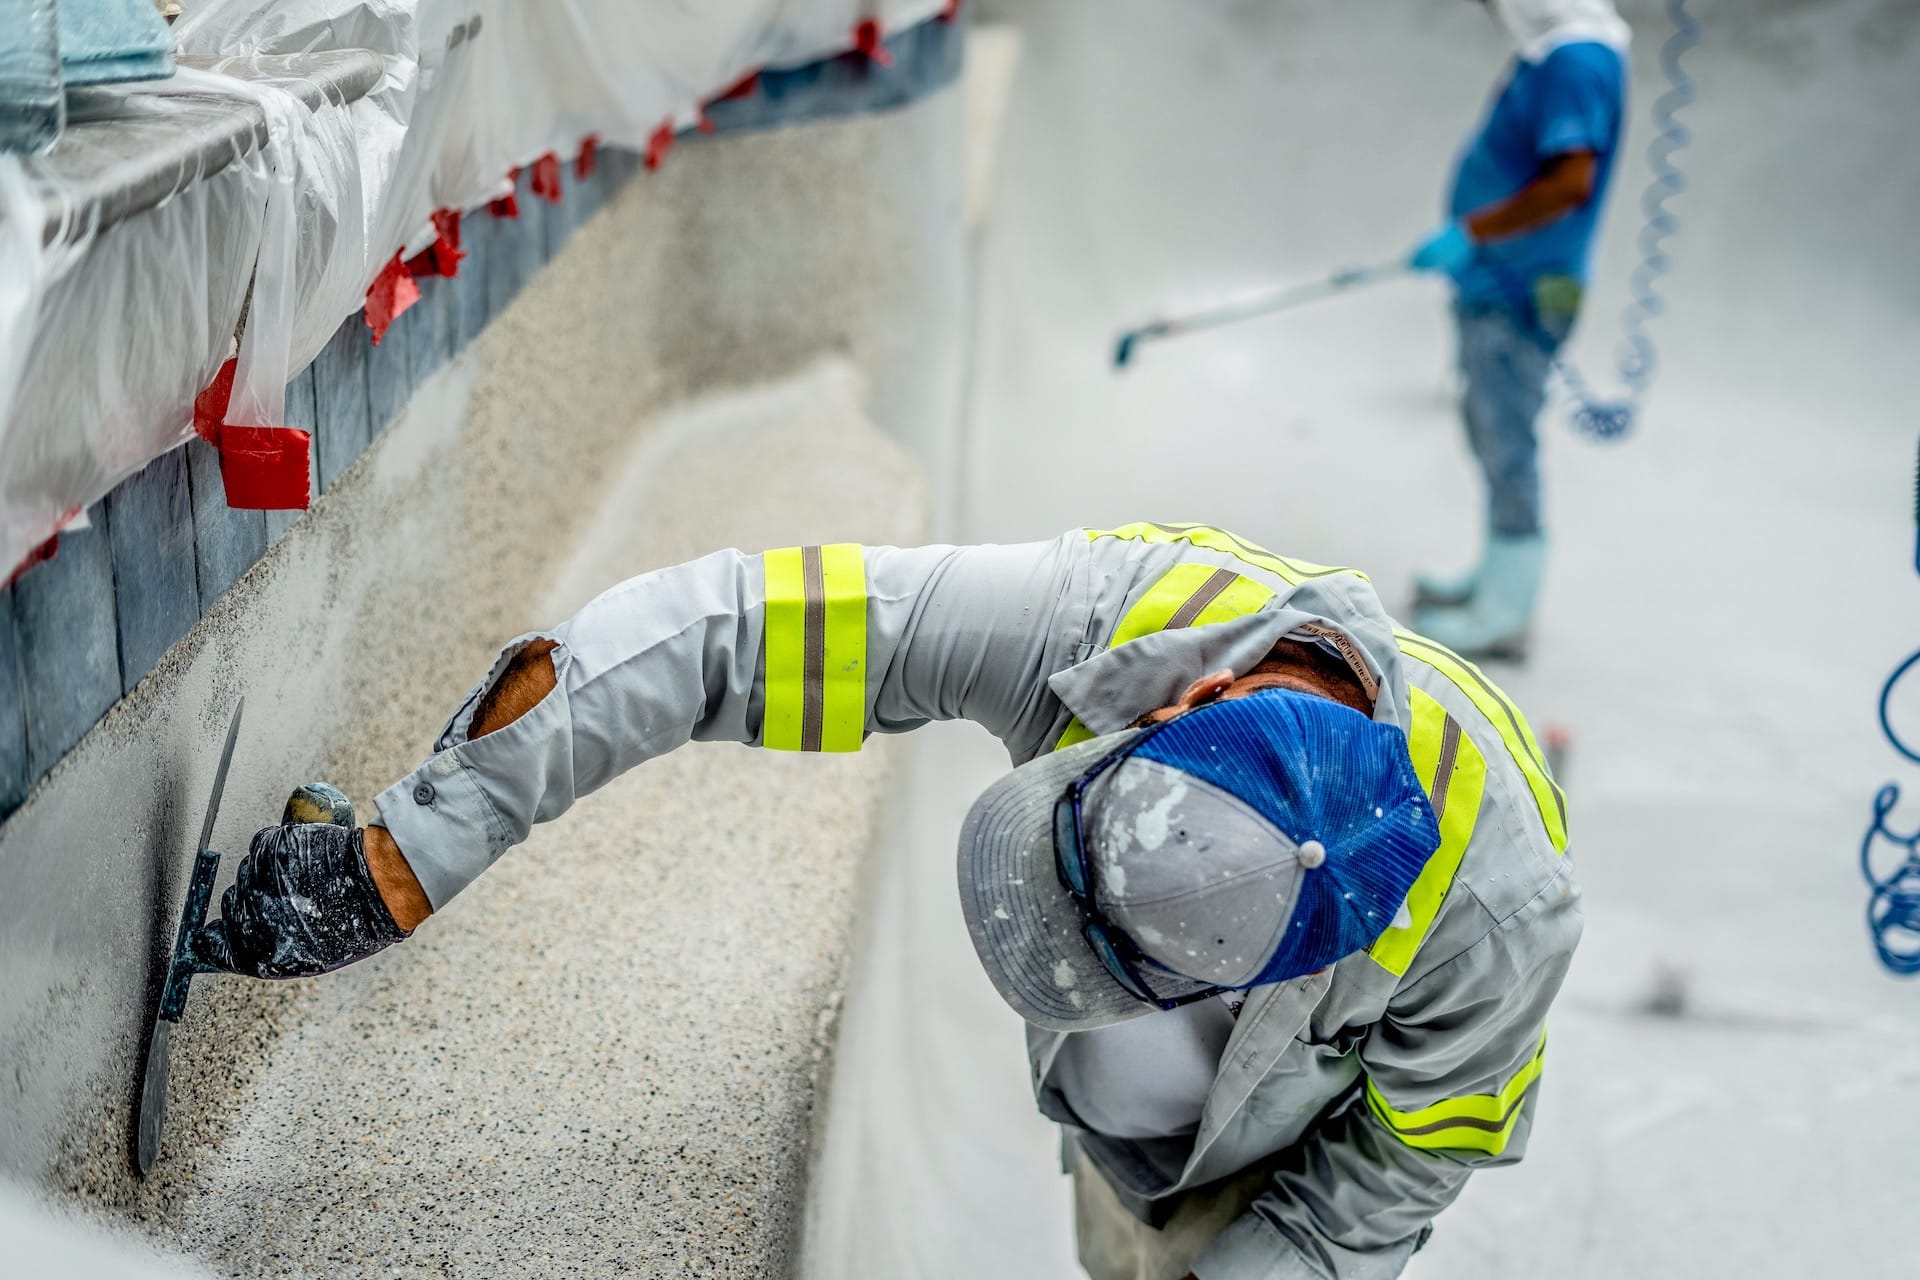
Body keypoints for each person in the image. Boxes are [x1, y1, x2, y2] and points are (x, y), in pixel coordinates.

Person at [197, 524, 1581, 1279]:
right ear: (1191, 703)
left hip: (1255, 1186)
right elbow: (729, 628)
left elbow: (1378, 1198)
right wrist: (416, 850)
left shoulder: (1500, 922)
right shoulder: (1106, 617)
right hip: (1132, 1138)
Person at [1406, 0, 1630, 658]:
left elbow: (1569, 182)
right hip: (1500, 281)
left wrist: (1472, 232)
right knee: (1489, 426)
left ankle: (1507, 608)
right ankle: (1495, 575)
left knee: (1507, 440)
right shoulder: (1560, 52)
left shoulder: (1576, 61)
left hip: (1518, 290)